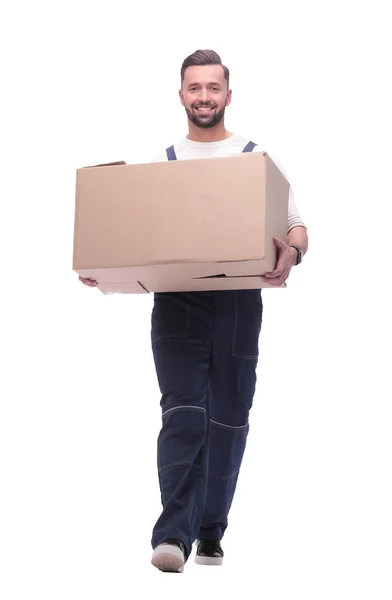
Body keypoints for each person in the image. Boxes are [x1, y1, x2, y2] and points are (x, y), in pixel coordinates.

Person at [79, 49, 308, 573]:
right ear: (181, 95)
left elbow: (295, 224)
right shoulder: (163, 165)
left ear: (228, 94)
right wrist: (104, 269)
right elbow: (135, 237)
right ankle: (173, 537)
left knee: (228, 416)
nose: (204, 97)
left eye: (213, 87)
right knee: (182, 413)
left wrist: (292, 251)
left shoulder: (258, 158)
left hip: (237, 304)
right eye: (194, 88)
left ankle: (210, 530)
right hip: (178, 302)